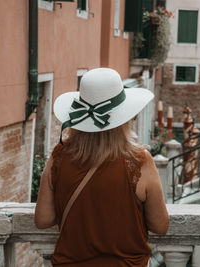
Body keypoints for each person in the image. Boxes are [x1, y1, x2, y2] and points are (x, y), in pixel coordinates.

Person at [34, 68, 169, 266]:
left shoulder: (59, 156)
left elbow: (43, 219)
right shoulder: (140, 161)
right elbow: (160, 225)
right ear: (124, 118)